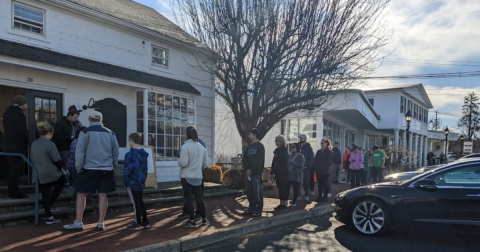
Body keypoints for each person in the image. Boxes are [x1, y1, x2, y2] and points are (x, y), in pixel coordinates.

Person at [63, 111, 119, 232]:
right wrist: (113, 164)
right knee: (103, 195)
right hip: (106, 168)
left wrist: (78, 166)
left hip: (89, 168)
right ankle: (100, 222)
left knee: (81, 194)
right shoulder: (111, 133)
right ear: (101, 120)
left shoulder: (85, 132)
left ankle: (78, 222)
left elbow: (80, 151)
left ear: (89, 119)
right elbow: (115, 151)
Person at [30, 122, 65, 224]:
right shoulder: (50, 144)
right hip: (50, 172)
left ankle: (49, 215)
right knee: (60, 183)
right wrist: (62, 170)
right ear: (49, 133)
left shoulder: (34, 144)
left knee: (46, 192)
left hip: (38, 172)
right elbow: (56, 160)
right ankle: (49, 205)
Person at [178, 126, 209, 228]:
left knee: (189, 199)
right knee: (199, 198)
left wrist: (178, 161)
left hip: (187, 176)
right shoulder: (202, 147)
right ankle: (204, 219)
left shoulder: (185, 147)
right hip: (198, 176)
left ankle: (192, 221)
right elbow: (205, 163)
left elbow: (183, 163)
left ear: (187, 135)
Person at [2, 95, 29, 199]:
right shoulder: (19, 115)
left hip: (7, 145)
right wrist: (26, 143)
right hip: (16, 146)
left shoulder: (7, 113)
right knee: (16, 170)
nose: (27, 105)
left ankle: (12, 191)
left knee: (11, 170)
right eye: (26, 103)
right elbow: (22, 131)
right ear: (22, 104)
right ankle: (14, 193)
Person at [124, 132, 151, 230]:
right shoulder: (144, 154)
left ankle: (138, 222)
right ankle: (145, 221)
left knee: (135, 203)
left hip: (132, 182)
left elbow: (128, 169)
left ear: (131, 140)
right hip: (141, 181)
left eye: (129, 140)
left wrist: (126, 181)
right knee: (140, 202)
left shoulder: (130, 154)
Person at [53, 105, 83, 185]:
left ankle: (65, 181)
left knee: (67, 166)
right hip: (62, 148)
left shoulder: (71, 123)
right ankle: (62, 182)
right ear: (70, 115)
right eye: (75, 117)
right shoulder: (60, 123)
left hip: (69, 148)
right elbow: (56, 135)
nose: (76, 119)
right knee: (64, 166)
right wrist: (70, 137)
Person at [241, 128, 265, 217]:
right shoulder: (248, 147)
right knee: (249, 191)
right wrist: (246, 169)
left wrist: (251, 170)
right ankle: (251, 208)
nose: (249, 136)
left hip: (256, 174)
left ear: (255, 135)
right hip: (248, 174)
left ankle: (258, 209)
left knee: (257, 192)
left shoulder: (260, 146)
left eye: (250, 134)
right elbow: (245, 159)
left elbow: (258, 160)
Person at [66, 126, 89, 208]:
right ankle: (74, 201)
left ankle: (86, 198)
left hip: (78, 165)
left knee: (82, 183)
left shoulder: (79, 141)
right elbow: (78, 155)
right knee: (78, 184)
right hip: (74, 166)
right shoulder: (77, 142)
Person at [270, 135, 289, 211]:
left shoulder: (284, 150)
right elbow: (274, 162)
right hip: (277, 171)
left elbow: (284, 160)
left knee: (283, 187)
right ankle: (281, 203)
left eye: (277, 140)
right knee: (279, 187)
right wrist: (272, 172)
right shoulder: (277, 150)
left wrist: (277, 156)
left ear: (281, 141)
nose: (275, 142)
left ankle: (285, 203)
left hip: (283, 172)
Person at [298, 134, 314, 201]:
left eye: (302, 138)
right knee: (298, 182)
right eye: (300, 138)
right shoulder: (297, 146)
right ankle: (298, 195)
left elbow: (311, 158)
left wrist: (308, 167)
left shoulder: (308, 148)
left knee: (306, 182)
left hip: (306, 167)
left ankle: (306, 195)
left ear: (305, 139)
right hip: (298, 167)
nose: (300, 139)